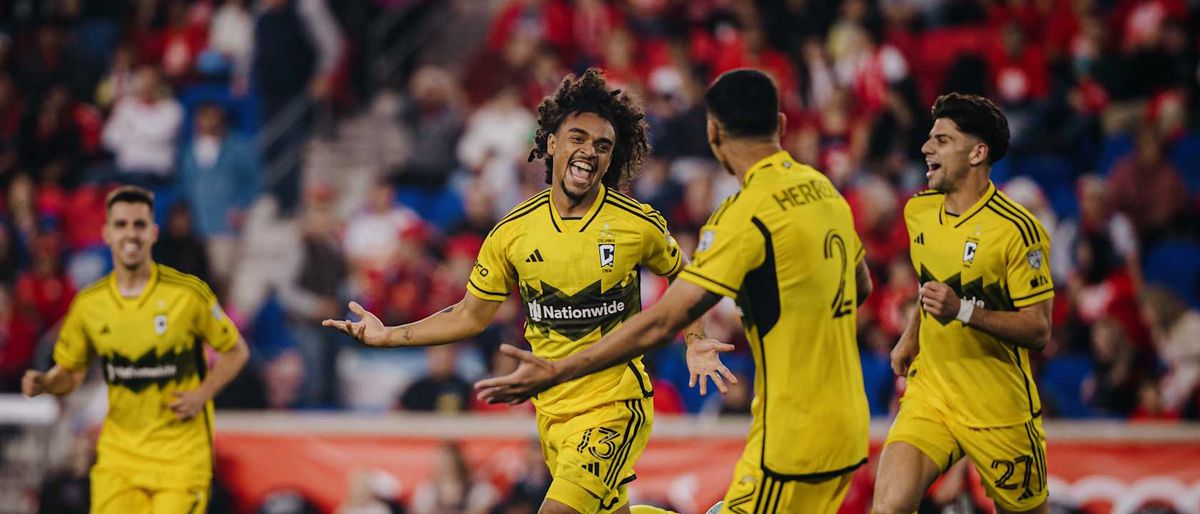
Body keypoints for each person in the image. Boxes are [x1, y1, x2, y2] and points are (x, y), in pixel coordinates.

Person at [324, 69, 731, 514]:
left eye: (602, 146)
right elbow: (469, 315)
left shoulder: (636, 224)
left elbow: (684, 275)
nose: (589, 153)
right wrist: (388, 335)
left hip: (616, 404)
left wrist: (696, 341)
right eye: (578, 138)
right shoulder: (513, 232)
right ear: (552, 143)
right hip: (553, 412)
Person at [475, 68, 874, 514]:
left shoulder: (743, 215)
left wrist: (560, 370)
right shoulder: (822, 189)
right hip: (849, 418)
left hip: (794, 431)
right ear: (780, 125)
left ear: (712, 131)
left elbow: (666, 318)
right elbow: (861, 284)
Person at [872, 93, 1054, 514]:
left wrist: (963, 311)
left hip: (998, 409)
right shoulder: (919, 212)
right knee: (889, 507)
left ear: (977, 152)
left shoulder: (1018, 231)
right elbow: (933, 284)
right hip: (931, 393)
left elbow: (1038, 329)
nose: (925, 148)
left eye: (941, 140)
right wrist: (910, 335)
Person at [22, 185, 250, 513]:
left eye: (140, 224)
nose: (131, 233)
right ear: (106, 234)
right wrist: (46, 382)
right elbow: (71, 373)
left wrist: (203, 393)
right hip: (119, 459)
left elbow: (235, 351)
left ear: (153, 233)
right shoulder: (90, 305)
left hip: (178, 457)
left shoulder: (188, 296)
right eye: (121, 224)